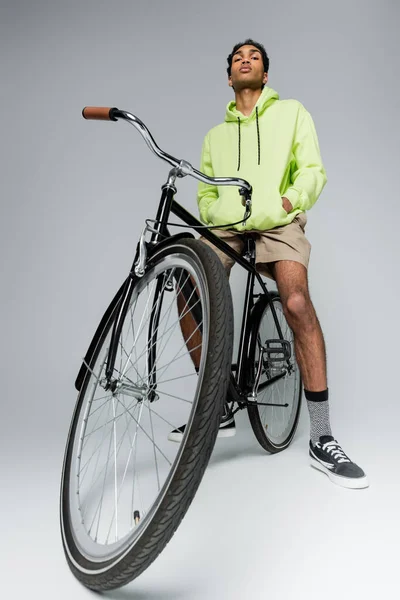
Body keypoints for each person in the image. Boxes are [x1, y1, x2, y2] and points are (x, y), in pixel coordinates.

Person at [169, 39, 368, 490]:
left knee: (295, 301)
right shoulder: (214, 137)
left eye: (254, 56)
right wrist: (221, 215)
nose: (245, 59)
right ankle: (218, 399)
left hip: (278, 220)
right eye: (238, 56)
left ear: (264, 74)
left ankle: (322, 436)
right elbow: (204, 195)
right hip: (228, 225)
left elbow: (313, 170)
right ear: (228, 76)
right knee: (186, 294)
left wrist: (290, 200)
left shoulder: (292, 113)